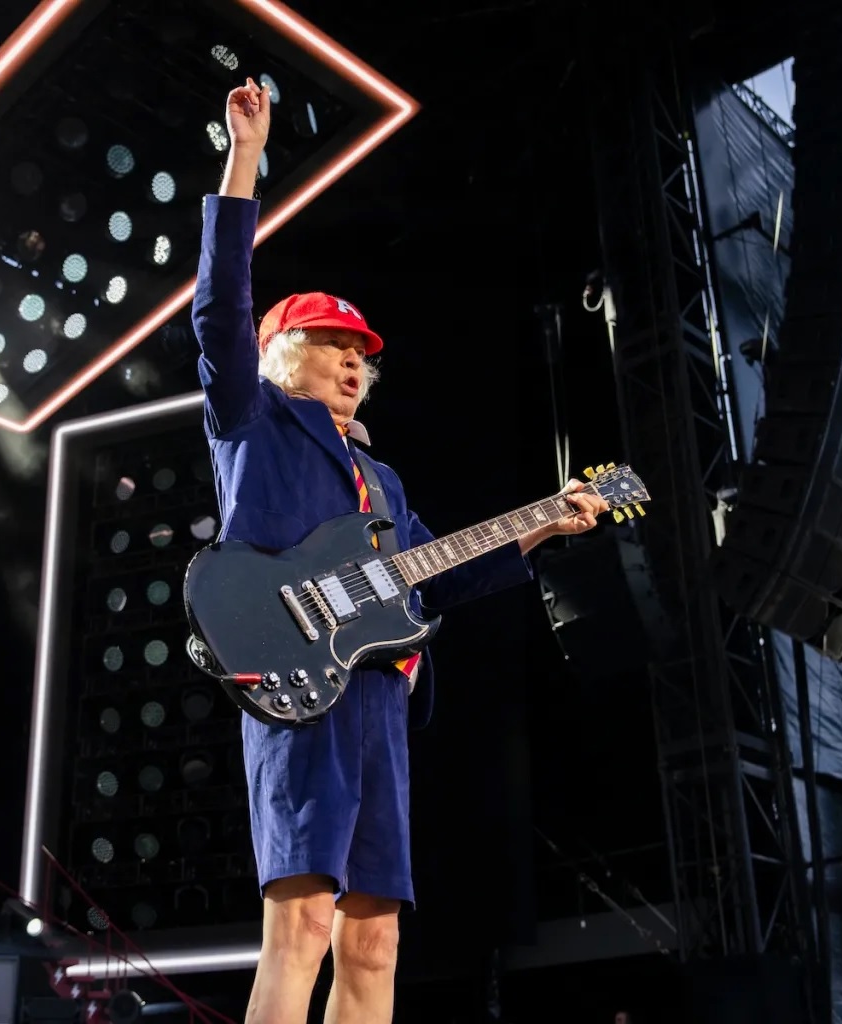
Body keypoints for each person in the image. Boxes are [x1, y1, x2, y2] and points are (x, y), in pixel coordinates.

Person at [191, 77, 611, 1024]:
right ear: (280, 353)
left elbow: (439, 578)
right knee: (302, 924)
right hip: (294, 678)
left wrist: (544, 521)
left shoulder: (384, 484)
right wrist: (246, 157)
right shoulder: (253, 421)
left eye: (362, 352)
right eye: (331, 341)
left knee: (374, 943)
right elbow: (218, 306)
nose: (354, 359)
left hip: (378, 693)